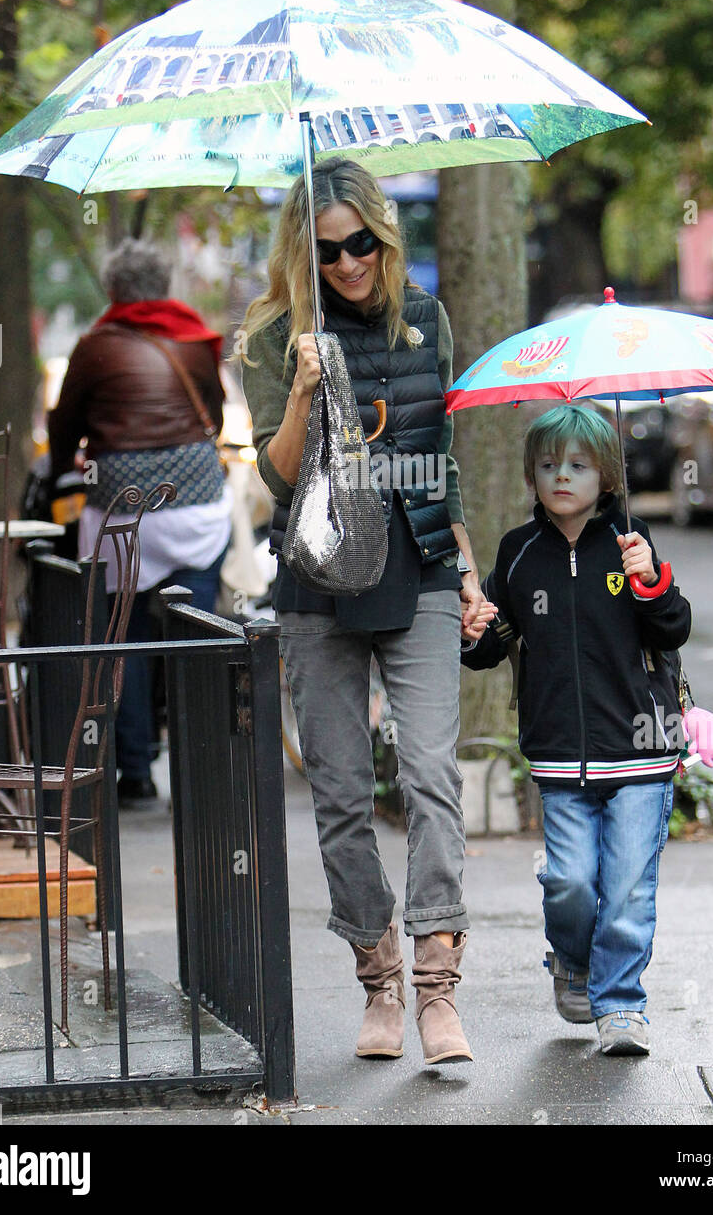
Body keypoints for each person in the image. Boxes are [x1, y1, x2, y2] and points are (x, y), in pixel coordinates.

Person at [241, 156, 483, 1066]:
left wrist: (465, 569)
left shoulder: (423, 321)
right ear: (304, 255)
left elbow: (443, 455)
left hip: (416, 568)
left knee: (427, 773)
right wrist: (304, 388)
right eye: (331, 250)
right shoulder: (274, 334)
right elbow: (274, 474)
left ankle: (434, 982)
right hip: (316, 580)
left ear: (385, 238)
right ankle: (376, 976)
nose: (349, 265)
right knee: (341, 793)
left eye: (363, 245)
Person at [461, 404, 694, 1056]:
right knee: (568, 881)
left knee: (625, 887)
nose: (560, 476)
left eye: (578, 465)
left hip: (640, 750)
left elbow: (672, 628)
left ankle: (620, 1006)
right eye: (546, 465)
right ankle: (571, 959)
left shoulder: (629, 539)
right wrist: (475, 628)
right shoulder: (519, 553)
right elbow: (491, 646)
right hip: (560, 756)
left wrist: (649, 581)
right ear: (529, 475)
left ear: (607, 475)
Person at [48, 238, 232, 803]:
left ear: (112, 290)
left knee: (123, 637)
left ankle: (134, 774)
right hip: (197, 505)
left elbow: (64, 427)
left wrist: (63, 472)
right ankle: (203, 769)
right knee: (198, 633)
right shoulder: (196, 340)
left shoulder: (93, 348)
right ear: (165, 285)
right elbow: (216, 416)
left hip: (122, 512)